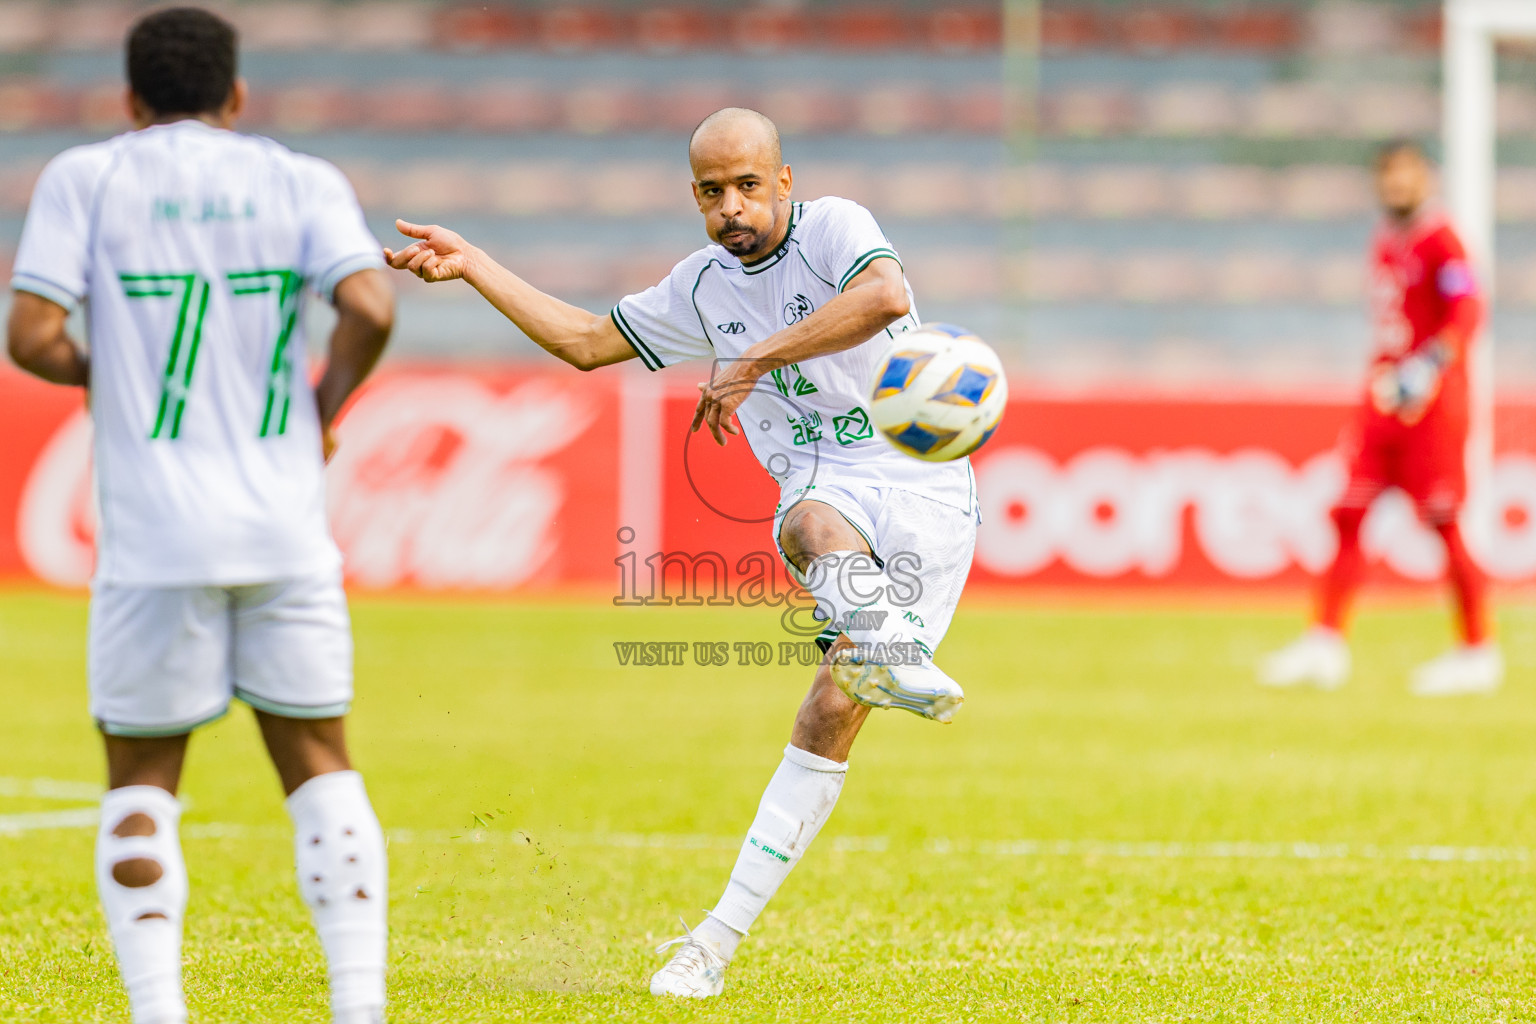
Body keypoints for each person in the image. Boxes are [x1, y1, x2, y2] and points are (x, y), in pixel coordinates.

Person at [384, 106, 980, 998]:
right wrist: (475, 267)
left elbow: (885, 299)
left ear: (784, 181)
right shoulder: (702, 288)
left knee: (832, 680)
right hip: (830, 489)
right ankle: (711, 945)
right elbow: (586, 343)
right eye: (710, 192)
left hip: (926, 480)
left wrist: (753, 362)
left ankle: (885, 648)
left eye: (747, 186)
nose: (730, 208)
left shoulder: (835, 228)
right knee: (806, 537)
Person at [5, 8, 396, 1023]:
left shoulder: (85, 179)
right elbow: (372, 306)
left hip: (152, 536)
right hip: (282, 523)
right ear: (237, 96)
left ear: (130, 99)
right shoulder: (299, 179)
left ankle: (158, 1013)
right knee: (319, 764)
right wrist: (319, 411)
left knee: (140, 779)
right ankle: (358, 1006)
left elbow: (31, 334)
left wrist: (111, 376)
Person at [1261, 140, 1501, 696]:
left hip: (1431, 405)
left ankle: (1477, 649)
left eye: (1406, 177)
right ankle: (1325, 643)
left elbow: (1469, 309)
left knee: (1443, 522)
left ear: (1426, 180)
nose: (1396, 187)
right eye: (1388, 177)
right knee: (1347, 513)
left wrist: (1430, 365)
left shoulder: (1443, 242)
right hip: (1383, 401)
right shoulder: (1386, 241)